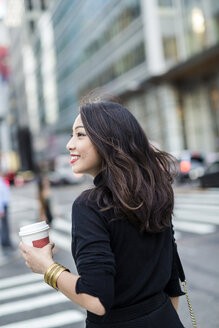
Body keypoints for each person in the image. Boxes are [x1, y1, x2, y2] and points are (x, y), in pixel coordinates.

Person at [19, 100, 185, 327]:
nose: (69, 145)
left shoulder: (89, 205)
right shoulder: (157, 192)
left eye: (80, 135)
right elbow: (172, 280)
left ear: (109, 140)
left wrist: (47, 267)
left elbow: (97, 299)